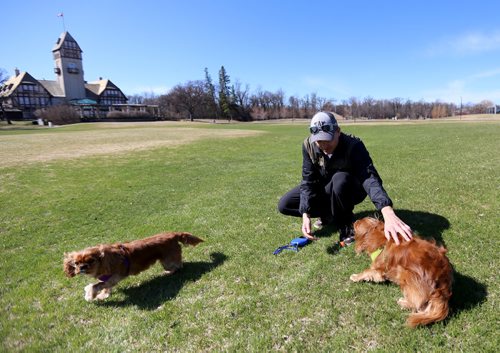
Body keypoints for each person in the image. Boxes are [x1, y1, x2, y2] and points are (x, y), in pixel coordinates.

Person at [278, 111, 413, 244]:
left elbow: (369, 177)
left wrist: (386, 210)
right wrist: (305, 214)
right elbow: (308, 180)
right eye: (319, 141)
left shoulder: (354, 145)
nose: (324, 146)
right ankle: (329, 214)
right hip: (326, 188)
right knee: (285, 204)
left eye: (327, 140)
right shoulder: (308, 146)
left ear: (338, 131)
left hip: (351, 189)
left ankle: (346, 225)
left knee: (339, 179)